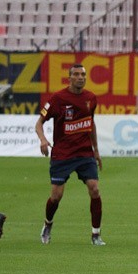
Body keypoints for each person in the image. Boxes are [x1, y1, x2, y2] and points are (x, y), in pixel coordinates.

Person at [35, 64, 106, 246]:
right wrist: (43, 140)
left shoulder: (91, 98)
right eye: (76, 74)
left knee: (94, 189)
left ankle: (96, 235)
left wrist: (96, 150)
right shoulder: (58, 98)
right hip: (63, 154)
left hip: (84, 153)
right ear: (69, 78)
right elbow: (39, 123)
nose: (80, 77)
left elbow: (91, 123)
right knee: (56, 196)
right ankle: (48, 224)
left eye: (83, 74)